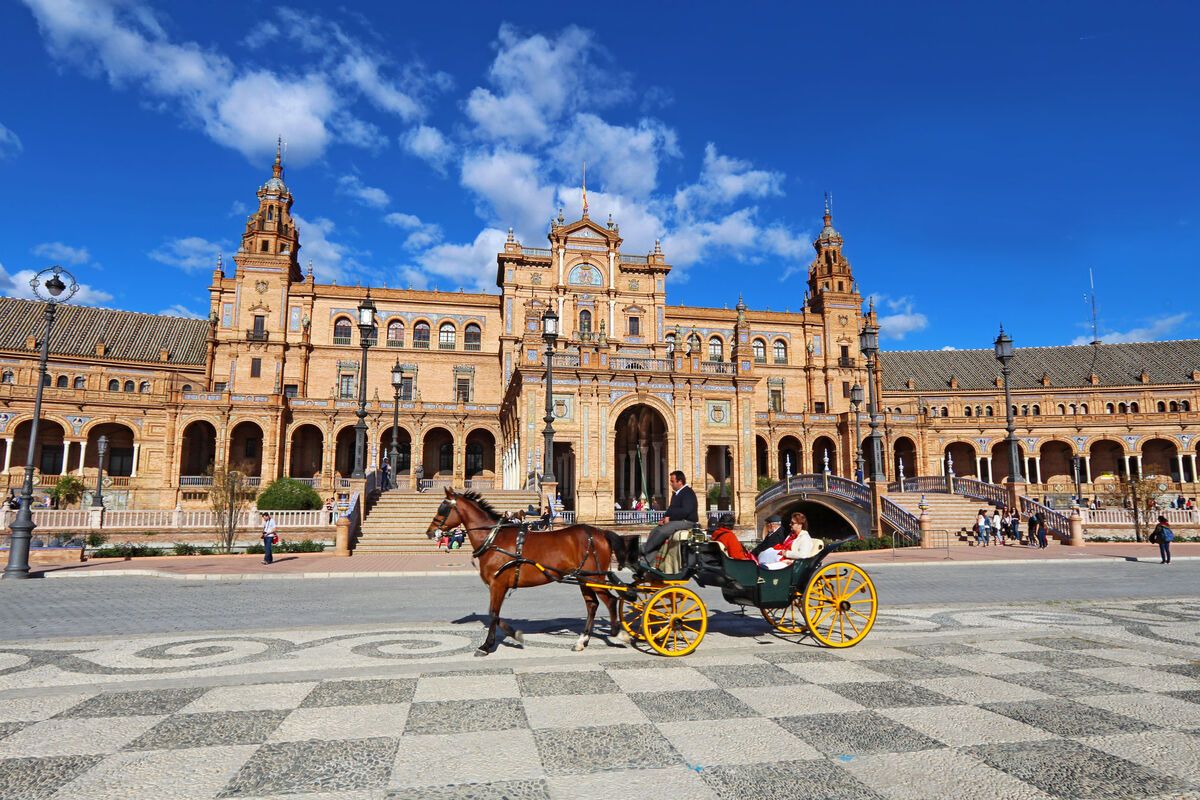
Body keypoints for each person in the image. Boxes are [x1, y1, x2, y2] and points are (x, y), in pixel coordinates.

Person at [641, 470, 698, 570]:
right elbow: (671, 509)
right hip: (677, 521)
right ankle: (647, 560)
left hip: (687, 522)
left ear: (680, 481)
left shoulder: (688, 493)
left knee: (662, 531)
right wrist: (663, 519)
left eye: (672, 481)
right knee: (655, 531)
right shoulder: (676, 494)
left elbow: (686, 511)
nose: (671, 484)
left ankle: (643, 549)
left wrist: (670, 519)